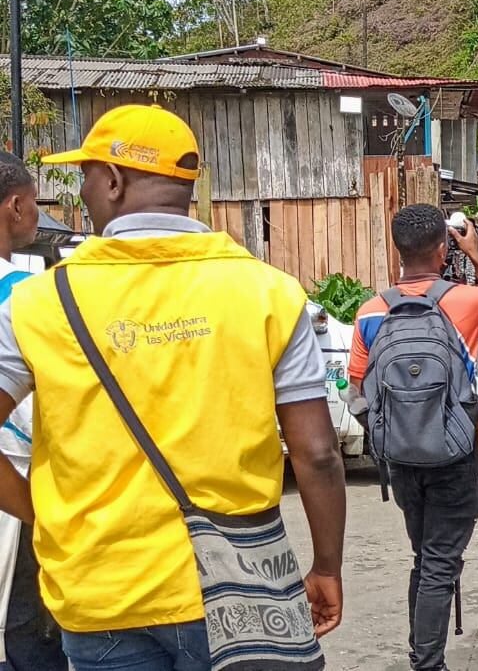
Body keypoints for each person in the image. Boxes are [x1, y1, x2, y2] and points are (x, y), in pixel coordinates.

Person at [0, 104, 346, 669]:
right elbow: (317, 453)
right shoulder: (268, 293)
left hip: (102, 593)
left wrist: (43, 513)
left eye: (86, 174)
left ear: (112, 180)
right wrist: (326, 564)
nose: (81, 189)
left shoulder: (38, 303)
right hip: (241, 589)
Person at [351, 204, 478, 671]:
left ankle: (423, 651)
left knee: (426, 558)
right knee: (441, 560)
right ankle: (428, 663)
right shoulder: (466, 300)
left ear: (398, 251)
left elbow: (359, 390)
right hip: (453, 452)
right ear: (444, 248)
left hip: (399, 458)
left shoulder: (369, 311)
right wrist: (477, 258)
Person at [0, 154, 65, 671]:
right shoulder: (27, 299)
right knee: (25, 623)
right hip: (16, 479)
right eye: (37, 203)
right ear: (16, 205)